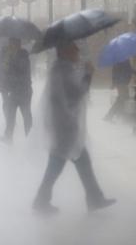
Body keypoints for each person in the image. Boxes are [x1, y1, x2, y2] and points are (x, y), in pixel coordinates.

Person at [33, 41, 116, 214]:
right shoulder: (62, 71)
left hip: (64, 125)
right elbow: (77, 93)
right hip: (65, 126)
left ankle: (94, 198)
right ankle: (42, 201)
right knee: (57, 165)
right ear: (64, 51)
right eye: (73, 48)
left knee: (79, 161)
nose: (77, 50)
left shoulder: (62, 69)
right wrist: (88, 74)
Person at [0, 38, 33, 143]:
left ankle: (30, 138)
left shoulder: (23, 56)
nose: (10, 46)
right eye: (10, 44)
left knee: (26, 115)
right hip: (13, 91)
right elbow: (1, 69)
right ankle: (8, 137)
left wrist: (8, 67)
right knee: (10, 114)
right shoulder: (7, 55)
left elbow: (21, 74)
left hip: (24, 91)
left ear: (18, 45)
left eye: (12, 44)